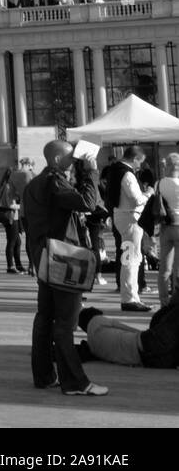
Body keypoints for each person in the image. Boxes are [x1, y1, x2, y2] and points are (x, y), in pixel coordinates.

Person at [25, 139, 106, 396]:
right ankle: (75, 383)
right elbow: (88, 203)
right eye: (71, 157)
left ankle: (44, 376)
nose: (75, 161)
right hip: (63, 258)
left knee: (44, 317)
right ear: (58, 160)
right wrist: (90, 171)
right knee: (65, 322)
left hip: (43, 256)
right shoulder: (54, 181)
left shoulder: (33, 184)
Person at [75, 303, 179, 367]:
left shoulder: (92, 347)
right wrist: (147, 333)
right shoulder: (96, 321)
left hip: (146, 360)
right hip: (145, 342)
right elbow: (124, 327)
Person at [113, 146, 153, 312]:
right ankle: (130, 298)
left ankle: (130, 296)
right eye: (140, 162)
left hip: (121, 215)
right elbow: (137, 199)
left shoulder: (115, 169)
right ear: (135, 158)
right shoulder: (127, 174)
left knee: (129, 258)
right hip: (131, 218)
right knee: (132, 259)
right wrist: (149, 193)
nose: (140, 166)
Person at [157, 153, 179, 308]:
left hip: (165, 227)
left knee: (165, 268)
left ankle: (164, 302)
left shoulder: (159, 183)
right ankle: (177, 302)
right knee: (178, 268)